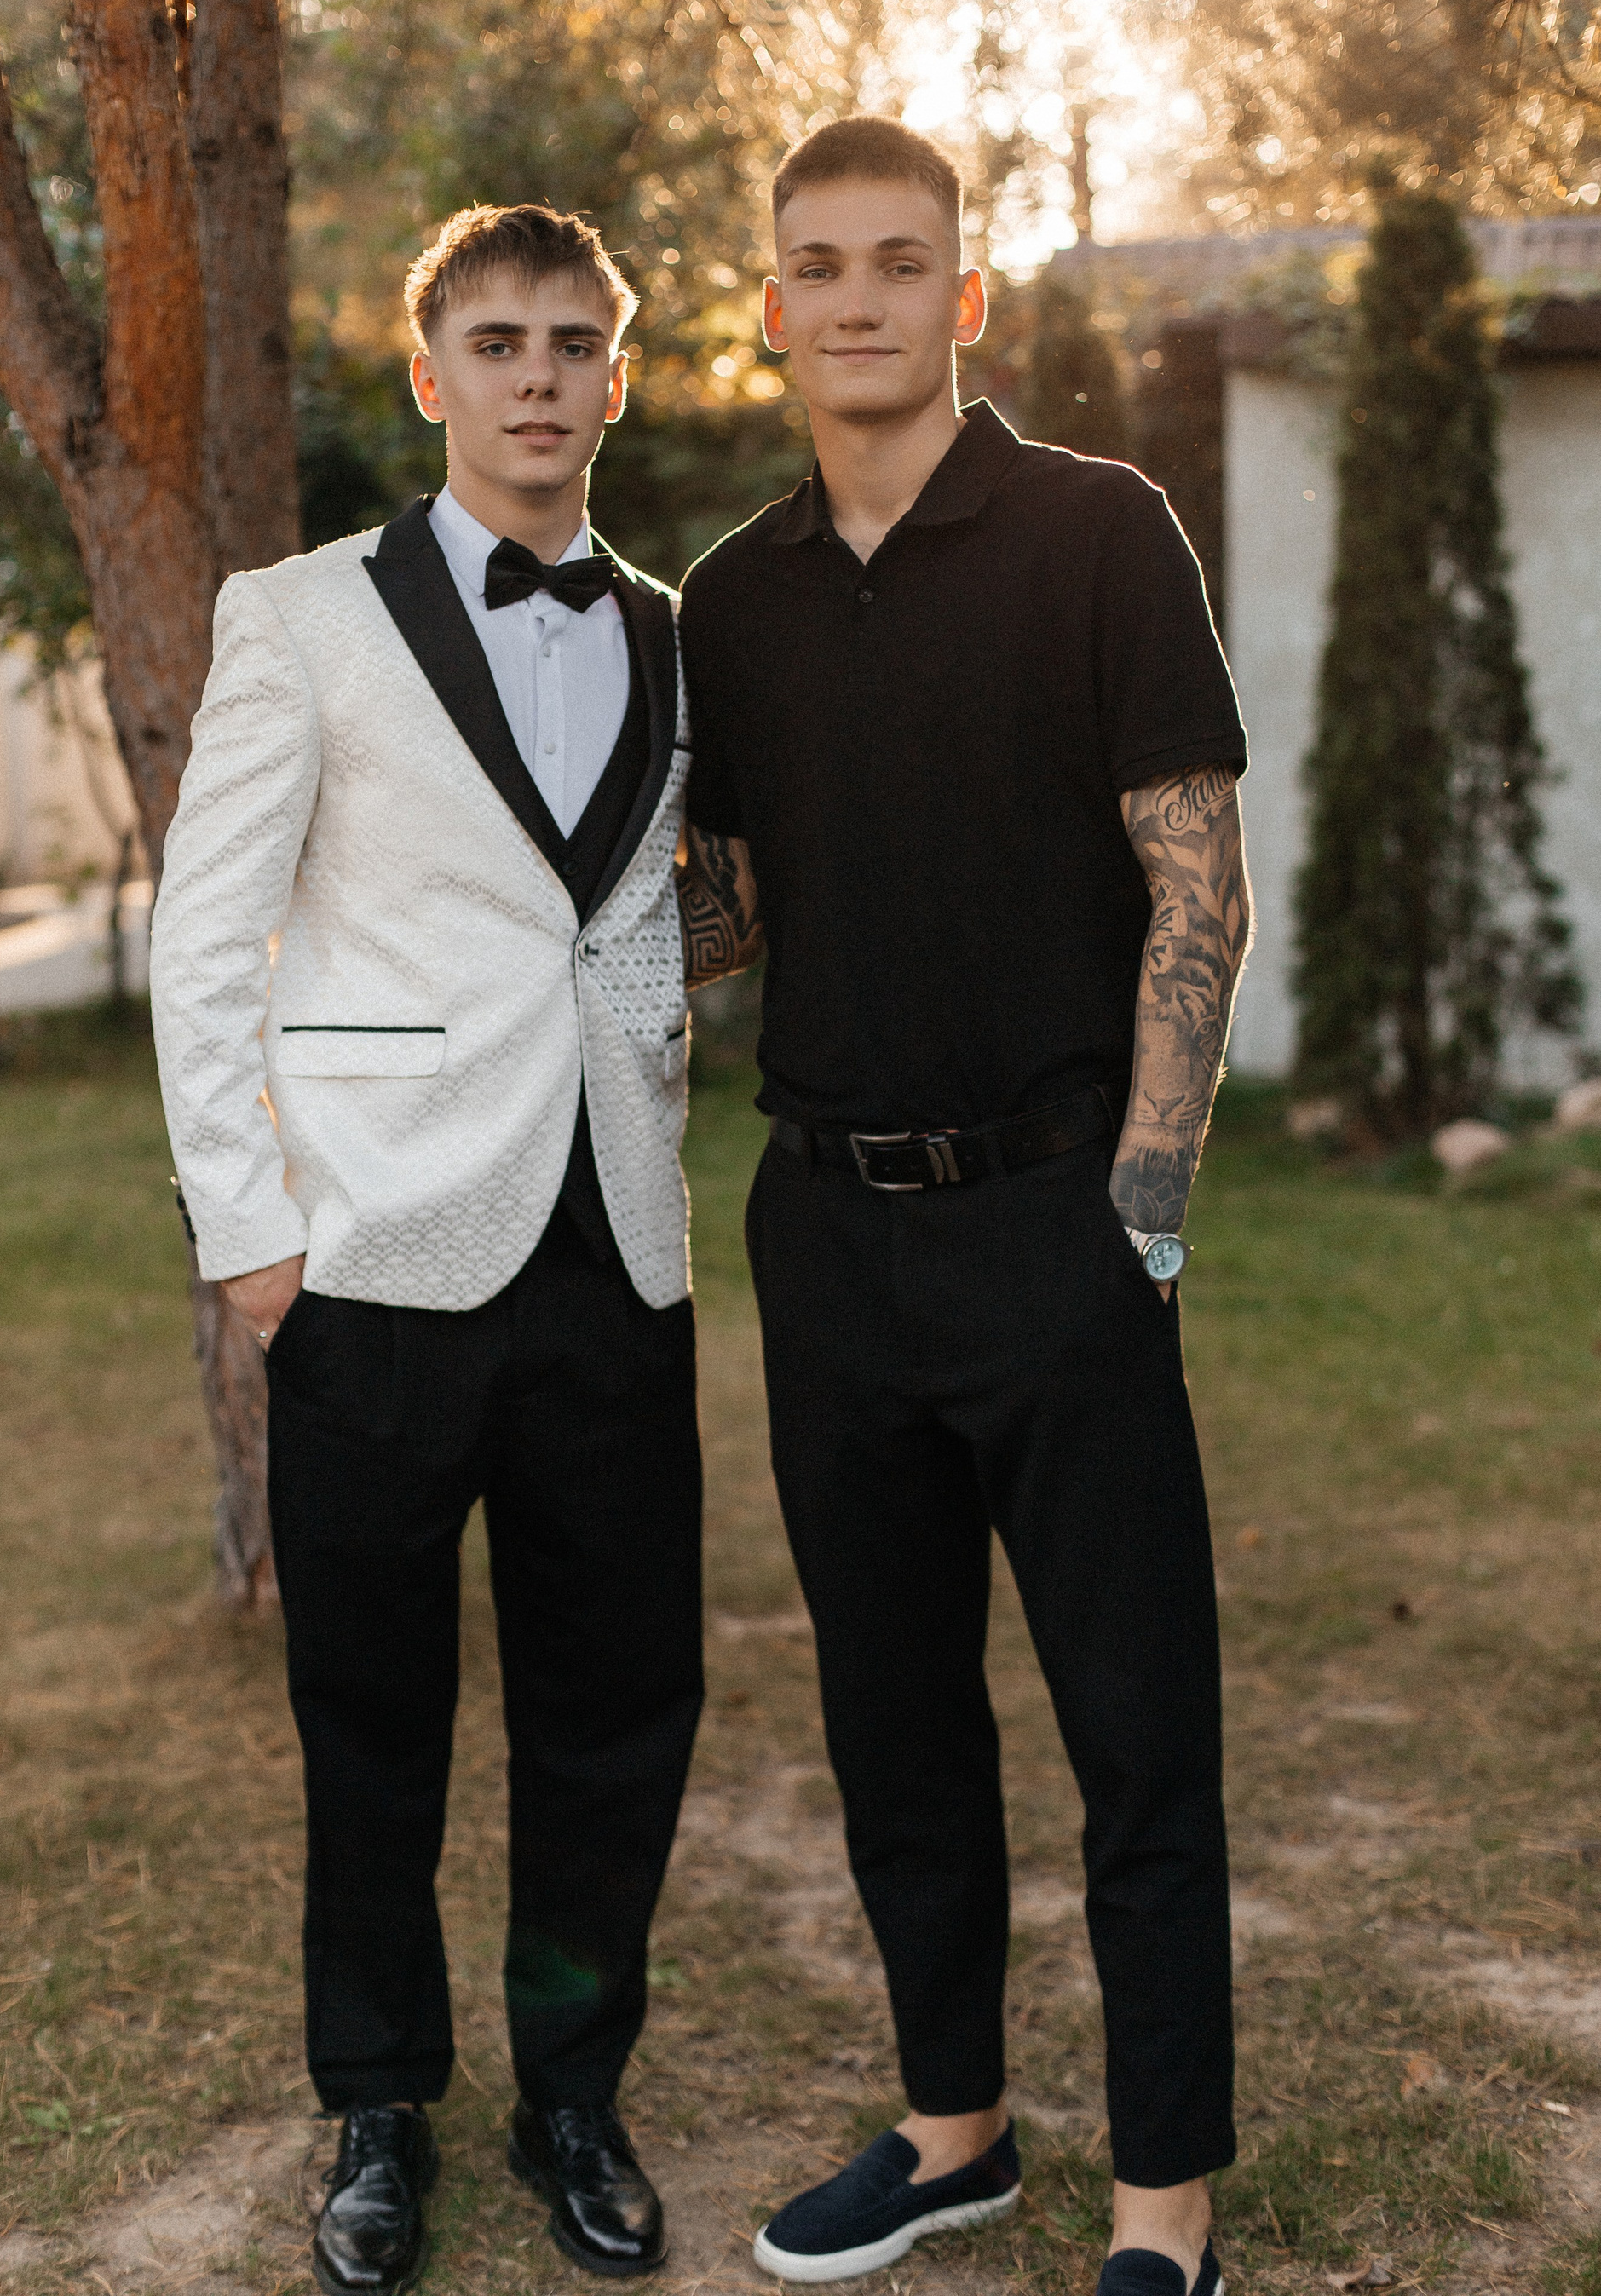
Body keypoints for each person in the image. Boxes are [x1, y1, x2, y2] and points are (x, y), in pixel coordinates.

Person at [675, 117, 1253, 2296]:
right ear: (770, 309)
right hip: (826, 1235)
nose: (858, 299)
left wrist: (1144, 1213)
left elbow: (1200, 887)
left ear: (965, 298)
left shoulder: (1099, 532)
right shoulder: (730, 600)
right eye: (818, 265)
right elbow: (731, 914)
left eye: (899, 261)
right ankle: (953, 2134)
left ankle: (1164, 2206)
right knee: (894, 1722)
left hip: (1056, 1225)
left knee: (1136, 1730)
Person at [152, 204, 701, 2294]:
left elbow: (636, 914)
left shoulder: (672, 631)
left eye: (574, 342)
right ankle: (378, 2105)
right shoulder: (299, 616)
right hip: (371, 1257)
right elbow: (206, 937)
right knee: (372, 1720)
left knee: (615, 1713)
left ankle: (576, 2095)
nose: (537, 376)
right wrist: (252, 1239)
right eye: (498, 341)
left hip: (614, 1255)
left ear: (618, 377)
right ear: (429, 372)